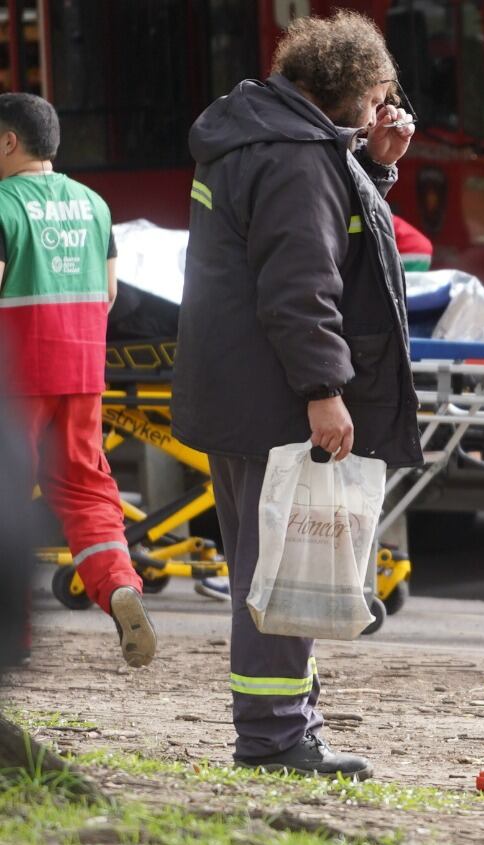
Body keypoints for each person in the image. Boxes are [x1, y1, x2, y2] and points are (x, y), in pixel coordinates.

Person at [174, 11, 420, 780]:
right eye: (381, 94)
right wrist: (324, 388)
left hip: (238, 387)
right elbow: (301, 287)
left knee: (271, 566)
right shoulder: (294, 157)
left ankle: (285, 727)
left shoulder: (260, 133)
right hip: (276, 392)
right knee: (279, 573)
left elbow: (320, 246)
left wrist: (374, 169)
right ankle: (277, 739)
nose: (385, 108)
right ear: (351, 88)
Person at [0, 93, 155, 667]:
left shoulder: (0, 204)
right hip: (82, 369)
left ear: (9, 142)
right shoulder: (93, 203)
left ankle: (11, 640)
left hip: (15, 378)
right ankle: (119, 586)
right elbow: (110, 293)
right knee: (88, 490)